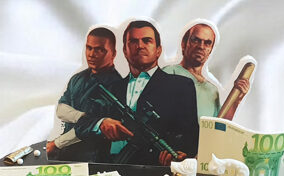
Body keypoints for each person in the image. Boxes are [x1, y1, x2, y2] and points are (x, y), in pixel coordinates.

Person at [75, 20, 199, 166]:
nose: (140, 46)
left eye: (147, 41)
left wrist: (181, 154)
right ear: (125, 51)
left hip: (154, 170)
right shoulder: (110, 88)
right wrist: (101, 124)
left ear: (158, 50)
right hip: (108, 170)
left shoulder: (179, 86)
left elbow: (191, 135)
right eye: (133, 41)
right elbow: (81, 126)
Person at [46, 27, 122, 161]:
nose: (92, 54)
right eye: (89, 48)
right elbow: (61, 109)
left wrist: (56, 144)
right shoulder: (78, 78)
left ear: (113, 54)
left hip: (92, 158)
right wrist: (83, 117)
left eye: (100, 50)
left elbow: (90, 127)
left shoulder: (116, 85)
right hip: (65, 153)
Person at [163, 23, 249, 120]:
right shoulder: (169, 73)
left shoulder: (212, 90)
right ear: (184, 43)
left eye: (207, 43)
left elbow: (218, 125)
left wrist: (237, 100)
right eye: (196, 40)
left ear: (211, 50)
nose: (201, 46)